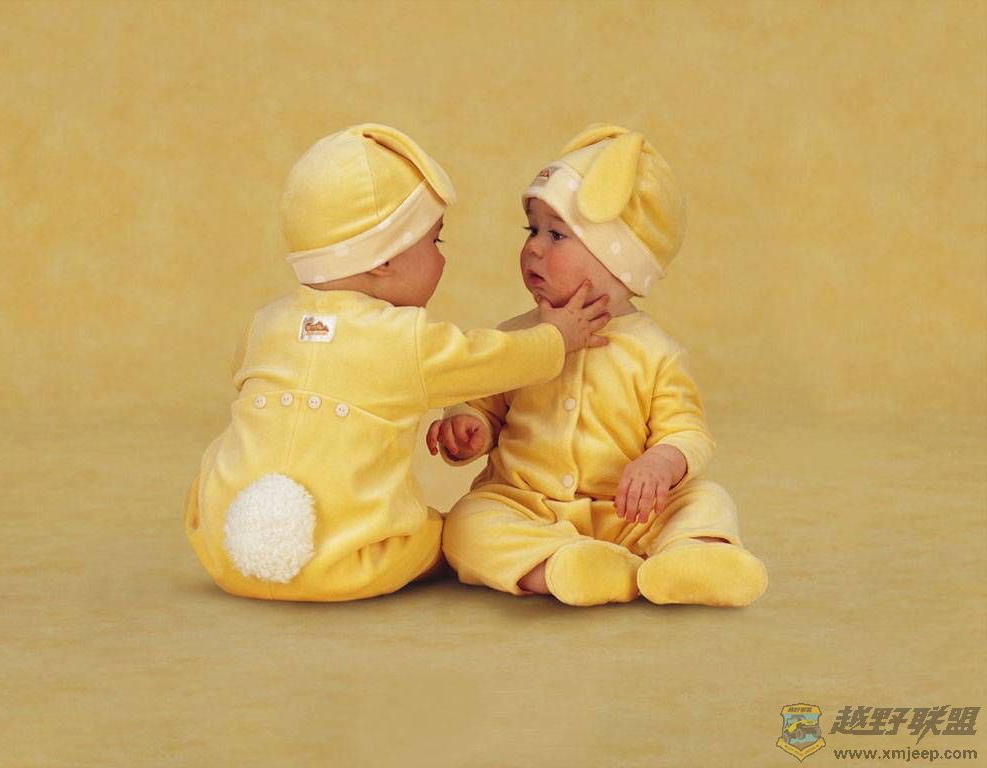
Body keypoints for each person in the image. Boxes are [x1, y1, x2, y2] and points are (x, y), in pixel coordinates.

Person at [185, 123, 611, 601]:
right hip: (350, 562)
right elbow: (493, 360)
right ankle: (542, 562)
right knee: (446, 534)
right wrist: (558, 336)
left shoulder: (265, 323)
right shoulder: (403, 340)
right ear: (382, 261)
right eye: (436, 242)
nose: (442, 260)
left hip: (223, 549)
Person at [428, 124, 768, 607]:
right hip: (525, 505)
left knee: (706, 498)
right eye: (531, 230)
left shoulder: (655, 352)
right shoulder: (516, 337)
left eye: (556, 234)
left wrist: (660, 463)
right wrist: (468, 426)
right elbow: (482, 399)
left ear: (618, 262)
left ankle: (693, 558)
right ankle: (564, 566)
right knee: (466, 525)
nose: (534, 247)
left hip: (628, 512)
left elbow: (687, 432)